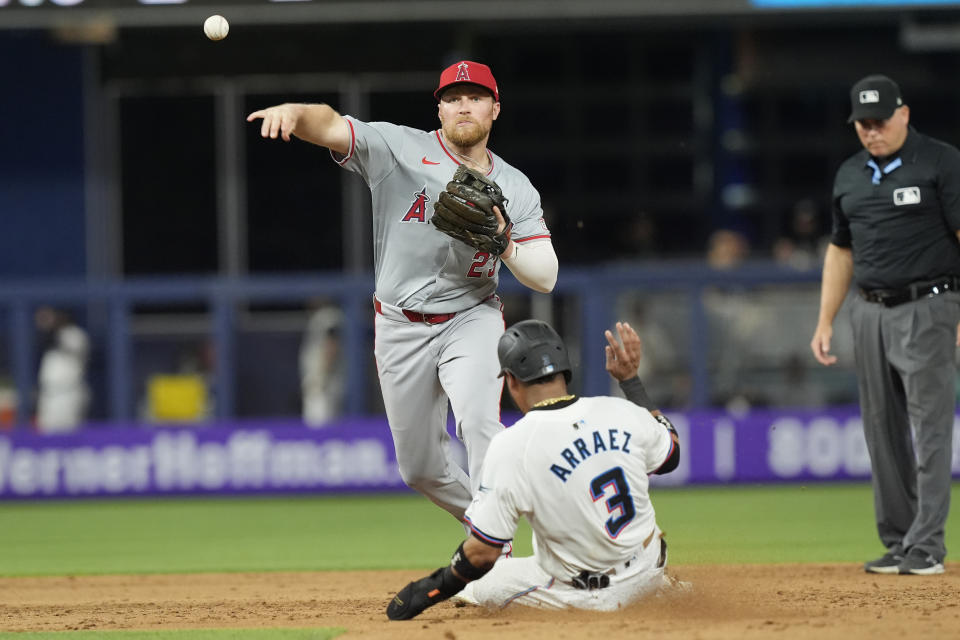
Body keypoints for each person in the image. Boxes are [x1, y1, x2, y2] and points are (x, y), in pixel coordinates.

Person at [247, 61, 558, 522]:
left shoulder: (515, 187)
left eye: (474, 97)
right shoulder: (399, 148)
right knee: (420, 470)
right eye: (452, 98)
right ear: (440, 110)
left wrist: (506, 244)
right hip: (400, 323)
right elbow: (333, 125)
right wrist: (295, 111)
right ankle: (487, 522)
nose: (463, 106)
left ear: (495, 108)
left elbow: (546, 275)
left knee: (478, 423)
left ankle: (496, 550)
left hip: (471, 315)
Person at [386, 320, 681, 619]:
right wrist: (631, 381)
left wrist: (427, 590)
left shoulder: (513, 445)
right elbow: (671, 454)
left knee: (483, 585)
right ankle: (663, 588)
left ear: (511, 381)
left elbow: (482, 554)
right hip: (650, 570)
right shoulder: (620, 411)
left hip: (591, 595)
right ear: (565, 370)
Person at [810, 74, 960, 576]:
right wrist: (826, 318)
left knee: (931, 427)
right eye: (863, 124)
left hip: (929, 306)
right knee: (881, 430)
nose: (872, 131)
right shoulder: (850, 174)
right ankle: (899, 539)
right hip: (867, 310)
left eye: (879, 121)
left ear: (904, 114)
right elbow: (840, 249)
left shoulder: (941, 161)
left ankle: (927, 546)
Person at [34, 306, 90, 433]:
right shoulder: (50, 338)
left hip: (68, 393)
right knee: (46, 432)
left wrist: (50, 324)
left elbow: (66, 346)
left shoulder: (75, 334)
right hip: (49, 394)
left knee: (68, 433)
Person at [299, 301, 345, 427]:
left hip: (325, 384)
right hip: (318, 383)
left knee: (322, 424)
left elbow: (331, 345)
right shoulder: (319, 318)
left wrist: (323, 375)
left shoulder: (327, 317)